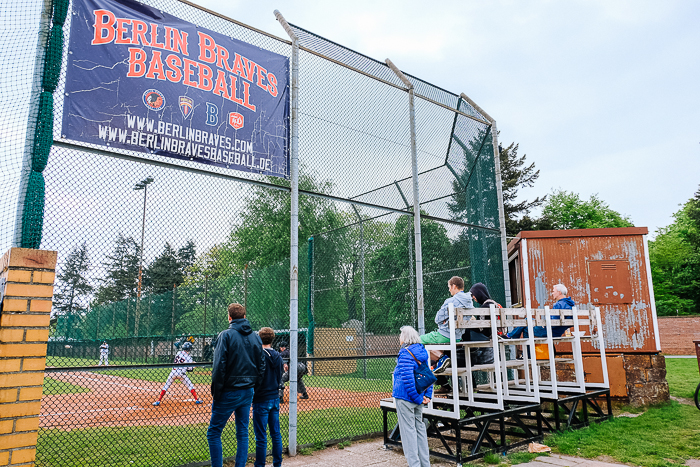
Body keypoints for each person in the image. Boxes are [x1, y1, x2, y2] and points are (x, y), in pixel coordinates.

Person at [207, 303, 265, 467]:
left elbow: (218, 367)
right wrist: (255, 387)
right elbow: (262, 366)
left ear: (229, 317)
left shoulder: (225, 335)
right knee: (242, 433)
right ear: (245, 317)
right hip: (247, 391)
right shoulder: (255, 337)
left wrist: (217, 392)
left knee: (214, 432)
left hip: (229, 391)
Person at [393, 325, 433, 467]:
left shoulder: (405, 354)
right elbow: (428, 375)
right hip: (419, 398)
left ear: (404, 338)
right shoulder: (422, 351)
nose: (399, 339)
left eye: (400, 336)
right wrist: (427, 395)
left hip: (406, 398)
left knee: (408, 433)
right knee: (420, 430)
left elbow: (407, 380)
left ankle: (414, 465)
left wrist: (417, 398)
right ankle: (424, 464)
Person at [420, 276, 474, 374]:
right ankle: (441, 359)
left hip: (445, 335)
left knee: (418, 341)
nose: (449, 290)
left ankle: (442, 358)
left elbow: (437, 319)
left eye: (449, 287)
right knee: (431, 344)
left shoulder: (450, 301)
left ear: (454, 286)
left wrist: (444, 322)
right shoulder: (470, 303)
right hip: (458, 337)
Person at [253, 327, 284, 467]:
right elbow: (280, 375)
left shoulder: (259, 355)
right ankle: (277, 463)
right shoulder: (278, 356)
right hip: (274, 396)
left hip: (261, 398)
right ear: (273, 339)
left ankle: (260, 465)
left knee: (261, 437)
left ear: (260, 339)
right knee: (275, 434)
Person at [505, 283, 575, 339]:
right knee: (528, 320)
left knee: (526, 327)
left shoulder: (558, 305)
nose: (552, 293)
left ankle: (511, 336)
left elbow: (553, 323)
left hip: (550, 331)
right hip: (558, 332)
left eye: (553, 291)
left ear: (559, 293)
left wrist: (543, 324)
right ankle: (511, 336)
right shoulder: (570, 305)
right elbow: (570, 323)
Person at [152, 341, 202, 406]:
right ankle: (197, 399)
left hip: (173, 372)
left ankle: (158, 401)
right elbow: (190, 369)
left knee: (166, 386)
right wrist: (194, 365)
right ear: (190, 349)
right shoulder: (189, 358)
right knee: (190, 386)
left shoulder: (178, 353)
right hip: (181, 374)